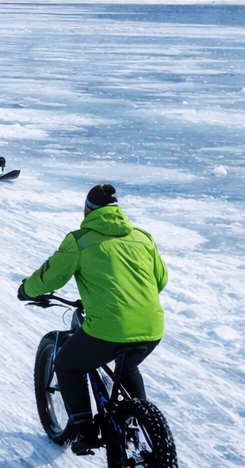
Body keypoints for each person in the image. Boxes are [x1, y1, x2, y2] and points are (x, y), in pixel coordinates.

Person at [18, 184, 167, 454]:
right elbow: (160, 280)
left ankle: (86, 432)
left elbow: (50, 276)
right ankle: (139, 423)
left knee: (67, 365)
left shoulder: (80, 240)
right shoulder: (143, 237)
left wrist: (26, 289)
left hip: (108, 329)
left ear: (88, 210)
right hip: (152, 327)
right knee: (128, 368)